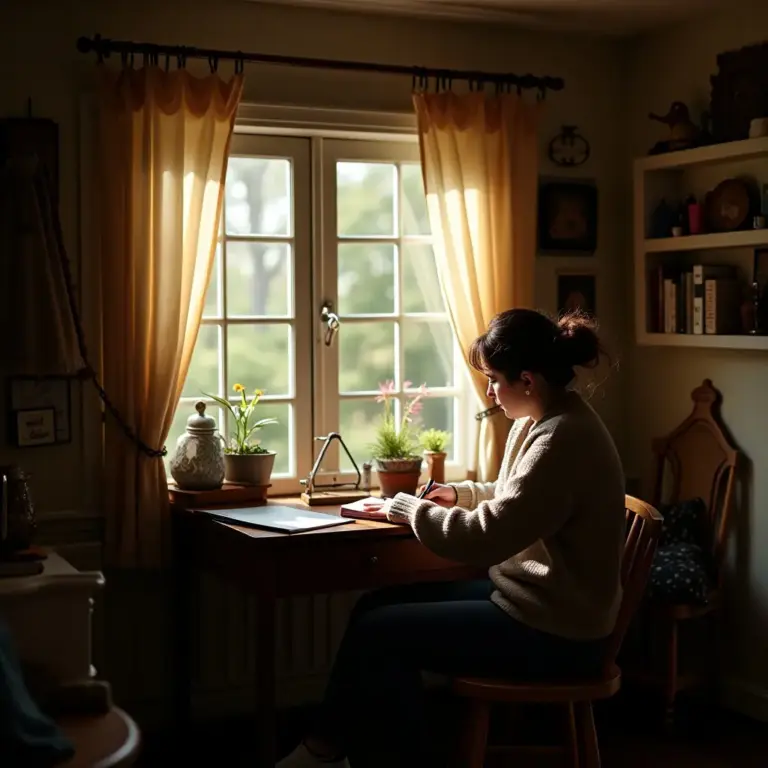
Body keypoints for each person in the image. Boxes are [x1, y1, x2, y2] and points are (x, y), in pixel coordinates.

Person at [277, 308, 625, 768]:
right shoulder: (542, 419)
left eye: (493, 379)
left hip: (559, 633)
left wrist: (405, 506)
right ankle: (334, 750)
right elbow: (513, 496)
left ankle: (353, 754)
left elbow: (487, 537)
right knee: (373, 609)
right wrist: (457, 493)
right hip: (533, 603)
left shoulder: (562, 438)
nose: (489, 391)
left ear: (526, 380)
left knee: (381, 634)